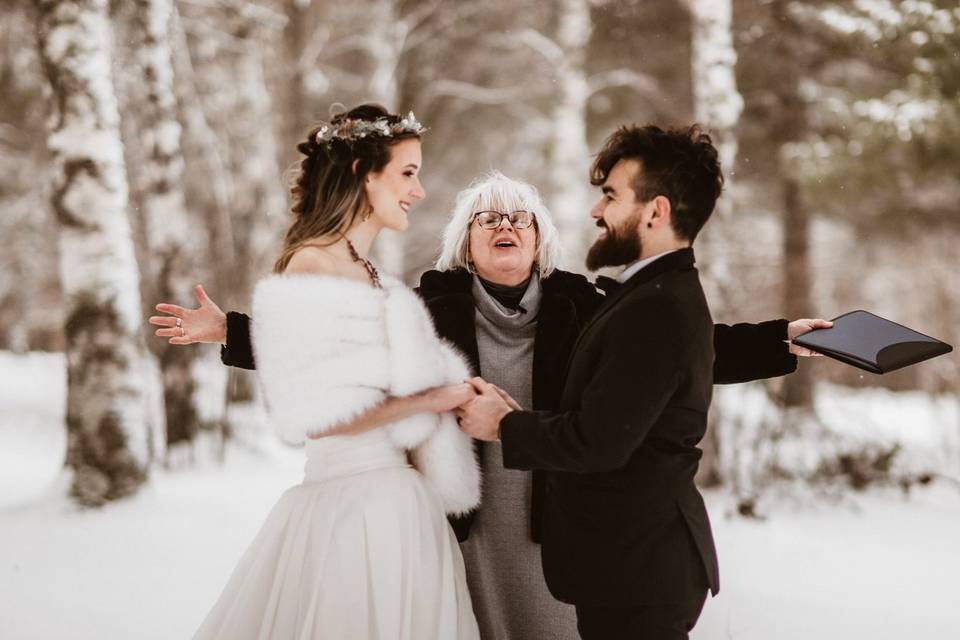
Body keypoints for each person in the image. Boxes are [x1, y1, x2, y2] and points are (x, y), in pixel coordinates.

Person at [153, 170, 829, 640]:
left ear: (539, 240)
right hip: (471, 527)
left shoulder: (586, 305)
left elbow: (682, 348)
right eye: (489, 219)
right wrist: (230, 331)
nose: (505, 227)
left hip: (561, 523)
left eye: (519, 219)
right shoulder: (427, 308)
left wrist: (778, 341)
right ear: (467, 243)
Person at [457, 125, 816, 640]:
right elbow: (665, 361)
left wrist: (503, 425)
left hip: (638, 564)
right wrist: (777, 340)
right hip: (631, 563)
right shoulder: (654, 291)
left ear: (656, 211)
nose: (595, 212)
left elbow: (598, 439)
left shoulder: (650, 305)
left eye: (609, 196)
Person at [185, 104, 481, 640]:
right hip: (351, 510)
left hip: (403, 507)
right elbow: (319, 413)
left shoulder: (374, 276)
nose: (417, 190)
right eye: (407, 173)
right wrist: (430, 400)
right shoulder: (312, 264)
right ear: (361, 174)